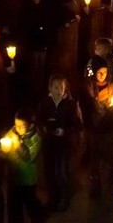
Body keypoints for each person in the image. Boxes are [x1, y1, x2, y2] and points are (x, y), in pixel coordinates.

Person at [0, 108, 46, 223]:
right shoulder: (13, 131)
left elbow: (28, 157)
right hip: (13, 177)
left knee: (30, 201)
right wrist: (2, 151)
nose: (17, 129)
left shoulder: (36, 138)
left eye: (21, 126)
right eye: (16, 125)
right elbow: (2, 149)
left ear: (31, 125)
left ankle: (38, 216)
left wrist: (18, 145)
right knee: (14, 210)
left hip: (27, 179)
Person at [38, 75, 82, 211]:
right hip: (49, 143)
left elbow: (76, 124)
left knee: (62, 171)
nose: (59, 90)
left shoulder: (70, 104)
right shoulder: (45, 103)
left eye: (61, 87)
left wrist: (65, 131)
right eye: (56, 87)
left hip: (63, 144)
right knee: (49, 171)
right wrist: (43, 127)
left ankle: (64, 197)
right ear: (50, 88)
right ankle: (53, 197)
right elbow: (39, 119)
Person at [82, 56, 113, 197]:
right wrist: (94, 112)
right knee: (94, 154)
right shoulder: (88, 88)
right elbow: (84, 107)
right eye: (99, 72)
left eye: (105, 72)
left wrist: (111, 108)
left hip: (107, 126)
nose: (102, 75)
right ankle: (95, 183)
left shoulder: (111, 85)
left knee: (106, 149)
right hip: (92, 126)